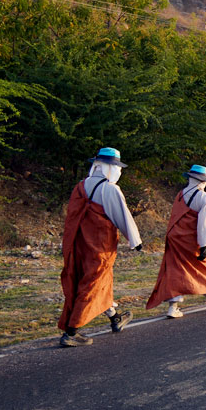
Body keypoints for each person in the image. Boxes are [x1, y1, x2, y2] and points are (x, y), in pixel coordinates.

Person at [59, 147, 141, 347]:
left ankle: (115, 319)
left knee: (94, 283)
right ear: (110, 168)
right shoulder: (110, 189)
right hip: (99, 247)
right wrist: (135, 241)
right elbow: (122, 216)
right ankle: (71, 332)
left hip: (77, 244)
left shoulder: (79, 187)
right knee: (93, 285)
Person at [146, 165, 206, 319]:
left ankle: (173, 307)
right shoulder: (204, 197)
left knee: (175, 271)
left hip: (175, 239)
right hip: (192, 241)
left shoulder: (180, 195)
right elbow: (204, 224)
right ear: (203, 181)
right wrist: (204, 245)